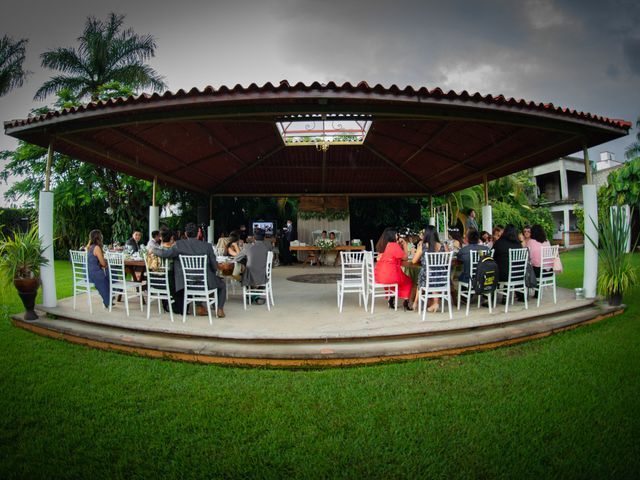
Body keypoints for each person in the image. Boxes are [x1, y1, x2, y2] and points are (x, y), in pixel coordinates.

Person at [153, 222, 227, 318]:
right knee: (222, 285)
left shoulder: (179, 245)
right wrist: (213, 273)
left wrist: (153, 249)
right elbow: (214, 266)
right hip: (206, 283)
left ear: (186, 234)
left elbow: (164, 254)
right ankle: (219, 309)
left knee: (194, 280)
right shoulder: (207, 246)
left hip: (187, 284)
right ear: (198, 233)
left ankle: (200, 306)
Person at [375, 229, 413, 311]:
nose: (398, 236)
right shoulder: (393, 245)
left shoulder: (383, 246)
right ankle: (406, 301)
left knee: (395, 280)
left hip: (380, 275)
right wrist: (405, 245)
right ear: (392, 236)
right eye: (396, 234)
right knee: (408, 281)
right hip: (390, 275)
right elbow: (405, 257)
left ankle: (391, 298)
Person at [412, 225, 446, 312]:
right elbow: (447, 260)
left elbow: (414, 261)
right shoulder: (443, 246)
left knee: (422, 277)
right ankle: (435, 303)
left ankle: (415, 303)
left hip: (427, 277)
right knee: (434, 275)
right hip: (441, 277)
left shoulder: (423, 246)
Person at [234, 228, 270, 305]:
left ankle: (253, 296)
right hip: (263, 276)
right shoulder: (268, 247)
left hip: (249, 277)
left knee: (238, 273)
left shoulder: (248, 247)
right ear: (264, 238)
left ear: (253, 237)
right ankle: (255, 296)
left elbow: (236, 259)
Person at [492, 224, 525, 302]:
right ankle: (505, 297)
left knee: (493, 271)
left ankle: (490, 298)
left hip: (504, 275)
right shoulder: (518, 244)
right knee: (506, 268)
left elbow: (492, 255)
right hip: (519, 275)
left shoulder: (500, 242)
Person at [86, 229, 110, 309]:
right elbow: (103, 263)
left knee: (107, 276)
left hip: (87, 273)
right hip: (94, 274)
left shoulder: (89, 247)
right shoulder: (96, 248)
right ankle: (108, 300)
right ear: (98, 237)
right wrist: (106, 263)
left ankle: (109, 297)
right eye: (101, 235)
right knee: (109, 275)